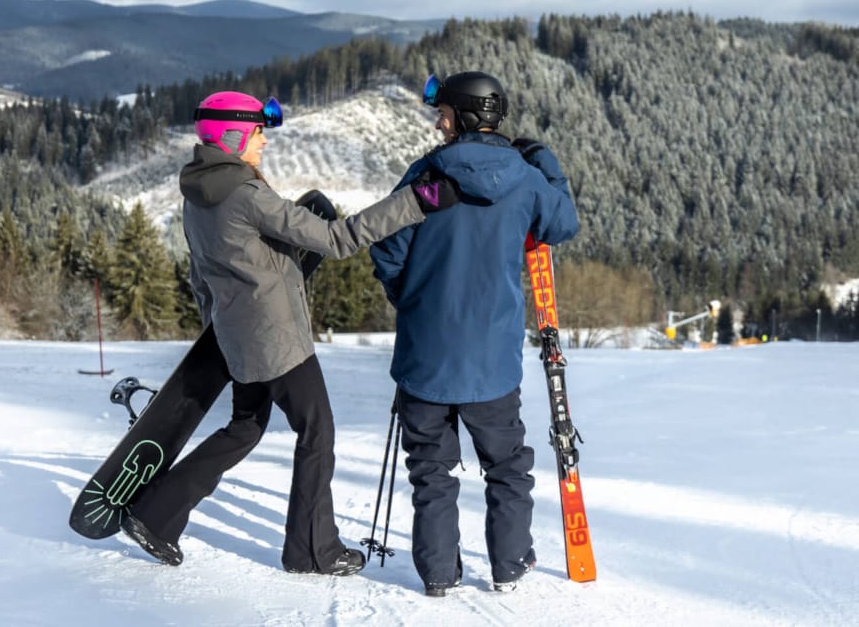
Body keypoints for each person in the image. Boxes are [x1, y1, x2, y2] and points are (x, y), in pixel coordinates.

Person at [121, 90, 458, 576]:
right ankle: (313, 550)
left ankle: (153, 514)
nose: (263, 144)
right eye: (259, 133)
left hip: (239, 336)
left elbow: (201, 278)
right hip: (278, 341)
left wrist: (218, 330)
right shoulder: (248, 196)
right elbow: (338, 240)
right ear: (235, 136)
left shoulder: (196, 196)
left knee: (244, 429)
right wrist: (416, 200)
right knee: (317, 432)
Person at [369, 71, 579, 596]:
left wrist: (412, 302)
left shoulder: (427, 178)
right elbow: (562, 224)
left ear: (463, 116)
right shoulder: (526, 179)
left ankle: (439, 573)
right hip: (492, 361)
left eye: (442, 113)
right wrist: (545, 160)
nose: (437, 123)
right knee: (506, 468)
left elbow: (386, 250)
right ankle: (509, 565)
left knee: (431, 472)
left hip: (425, 360)